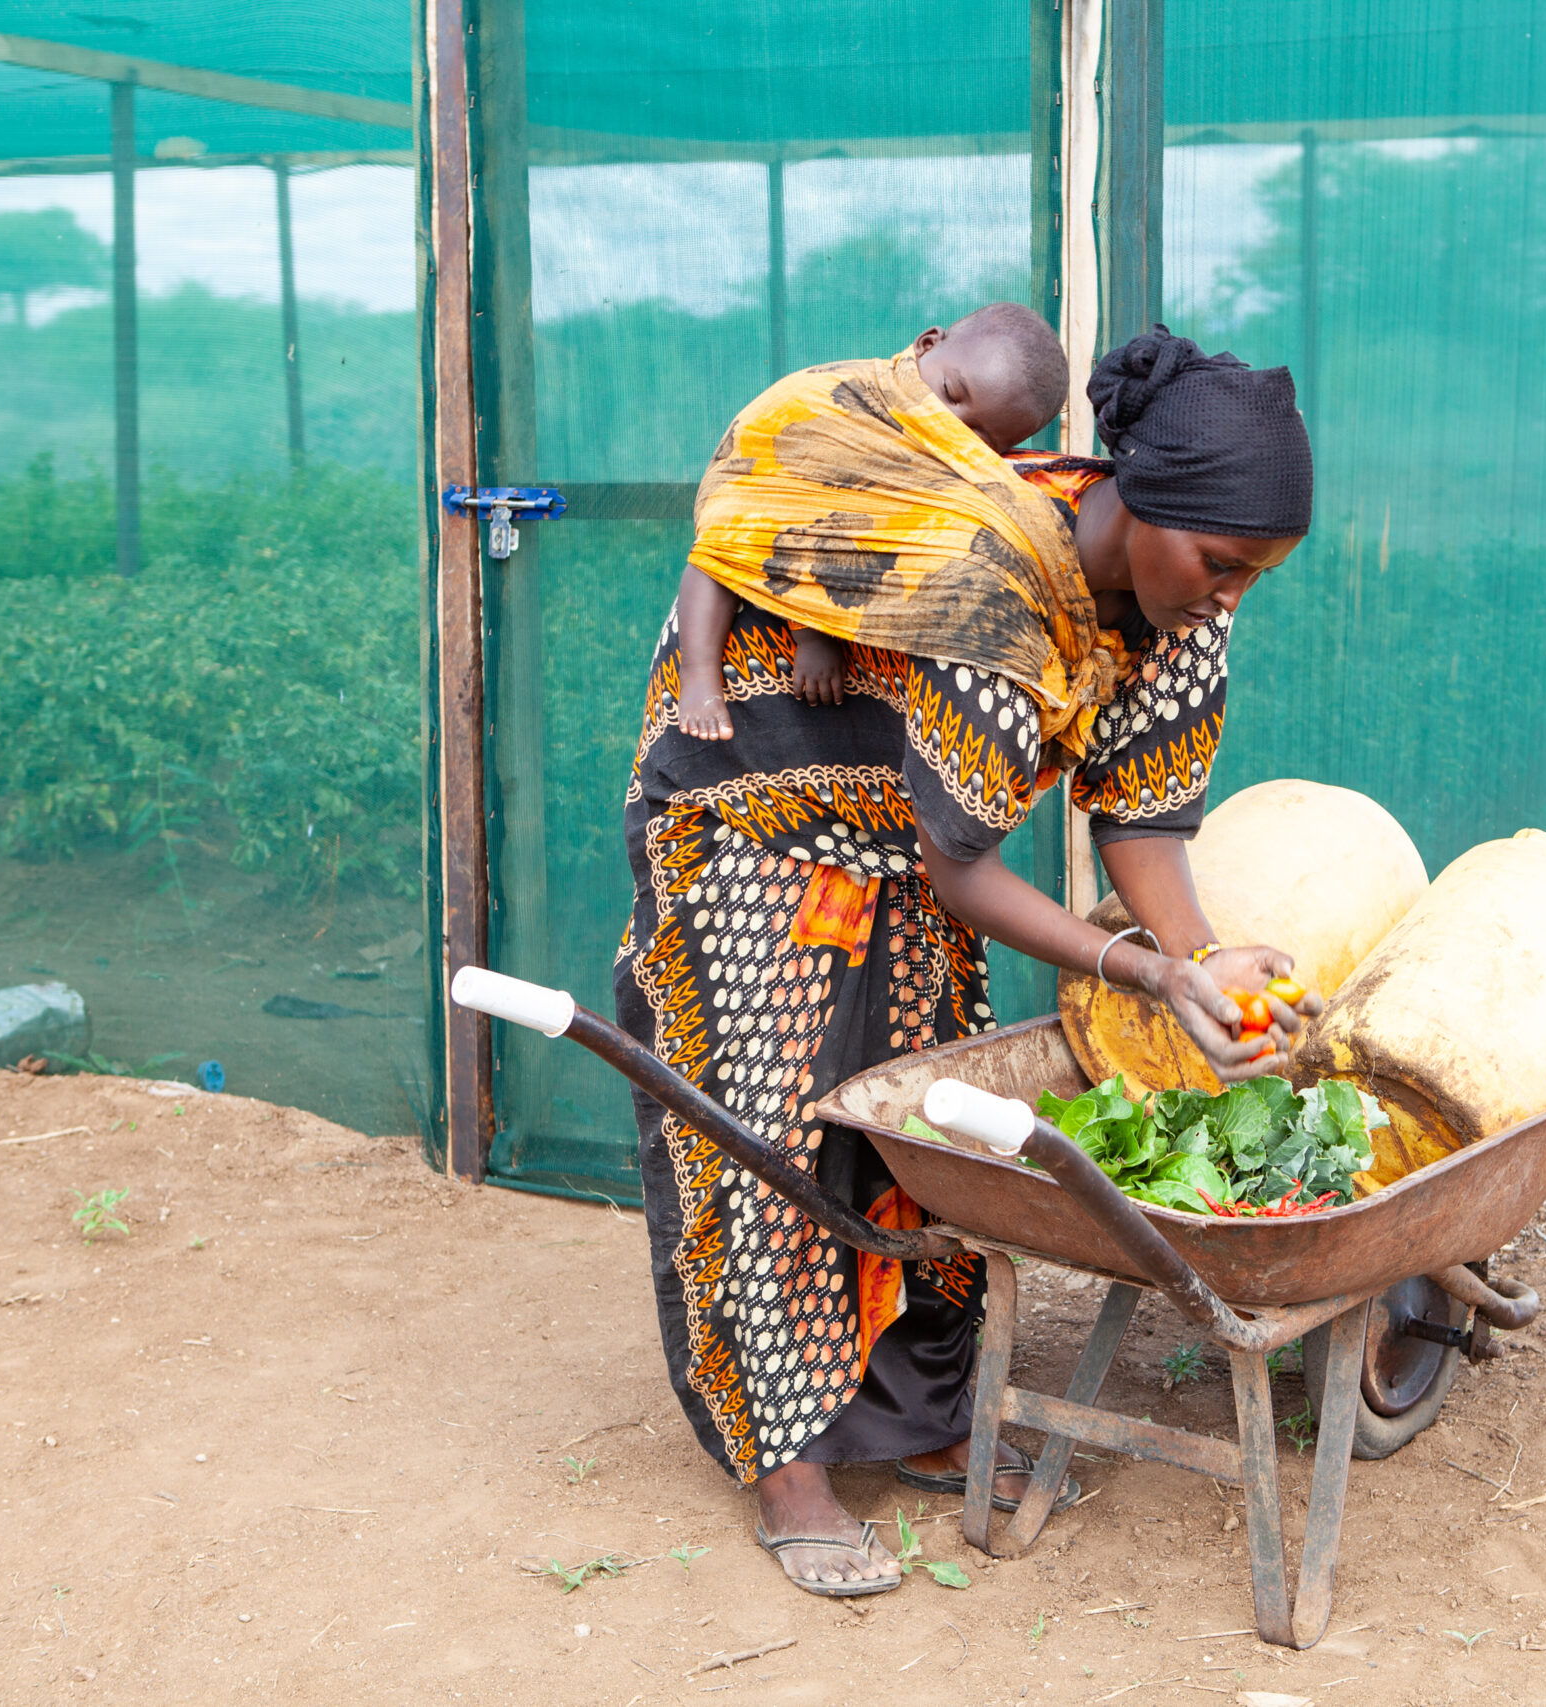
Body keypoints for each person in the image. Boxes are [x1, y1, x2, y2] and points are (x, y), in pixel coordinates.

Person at [614, 325, 1316, 1598]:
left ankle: (924, 1414)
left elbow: (1143, 812)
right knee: (769, 1122)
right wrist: (1144, 973)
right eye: (1219, 563)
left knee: (926, 1130)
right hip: (757, 808)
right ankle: (788, 1465)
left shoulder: (1181, 616)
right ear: (1135, 497)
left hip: (915, 822)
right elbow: (967, 872)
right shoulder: (993, 573)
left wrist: (1204, 959)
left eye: (1257, 575)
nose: (1230, 594)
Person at [673, 303, 1070, 738]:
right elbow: (795, 515)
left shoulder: (953, 465)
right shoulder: (846, 397)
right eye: (952, 392)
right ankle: (698, 678)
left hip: (857, 584)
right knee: (721, 549)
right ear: (927, 344)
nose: (949, 424)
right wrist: (810, 634)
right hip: (757, 505)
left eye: (979, 436)